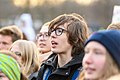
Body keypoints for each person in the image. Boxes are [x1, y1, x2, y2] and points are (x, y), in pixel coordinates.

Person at [36, 13, 89, 80]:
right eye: (52, 31)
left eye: (59, 31)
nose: (52, 35)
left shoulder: (86, 71)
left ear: (75, 37)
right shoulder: (46, 69)